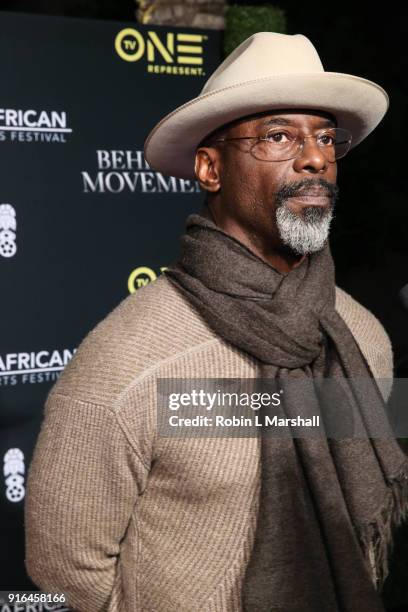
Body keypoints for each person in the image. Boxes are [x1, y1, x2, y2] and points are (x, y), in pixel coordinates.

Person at [25, 32, 408, 612]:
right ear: (209, 169)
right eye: (279, 135)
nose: (316, 158)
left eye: (326, 137)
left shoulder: (363, 338)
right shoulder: (129, 362)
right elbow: (63, 570)